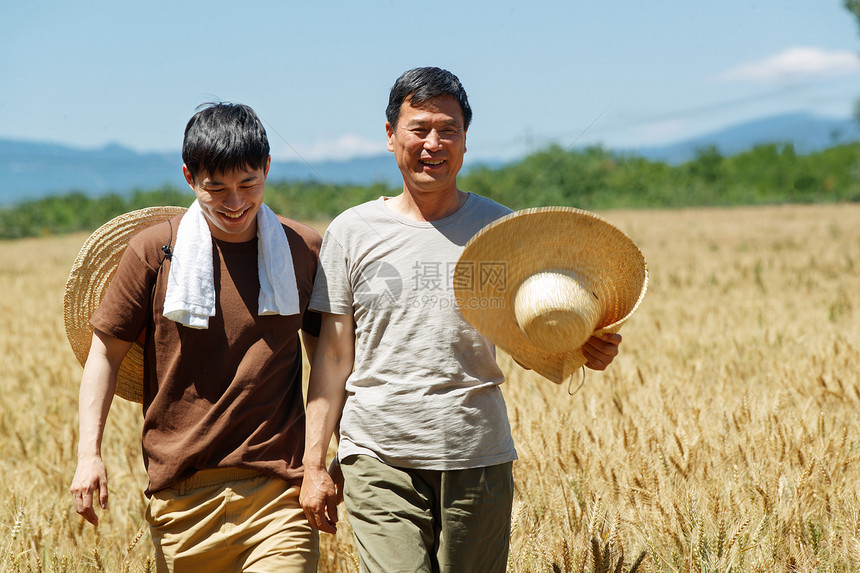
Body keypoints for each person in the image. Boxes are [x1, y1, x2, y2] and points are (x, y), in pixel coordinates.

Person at [300, 67, 622, 572]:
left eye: (448, 129)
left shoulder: (500, 229)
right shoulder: (352, 232)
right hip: (378, 452)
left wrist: (580, 349)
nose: (434, 143)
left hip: (478, 451)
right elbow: (334, 355)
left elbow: (529, 338)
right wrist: (314, 463)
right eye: (419, 128)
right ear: (390, 136)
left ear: (466, 140)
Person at [69, 102, 322, 572]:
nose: (235, 202)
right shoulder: (154, 251)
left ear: (267, 168)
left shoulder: (301, 249)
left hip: (278, 496)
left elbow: (330, 362)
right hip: (180, 501)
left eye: (249, 184)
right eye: (216, 188)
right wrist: (89, 456)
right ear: (189, 177)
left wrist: (321, 462)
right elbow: (104, 355)